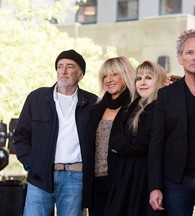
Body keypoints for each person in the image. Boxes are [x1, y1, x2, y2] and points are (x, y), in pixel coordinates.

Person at [13, 49, 98, 216]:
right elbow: (21, 135)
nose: (64, 71)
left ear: (80, 74)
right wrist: (31, 164)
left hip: (75, 177)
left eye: (70, 66)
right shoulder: (37, 98)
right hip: (40, 175)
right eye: (60, 66)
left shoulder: (92, 103)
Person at [148, 29, 195, 216]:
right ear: (180, 58)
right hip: (176, 182)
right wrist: (155, 186)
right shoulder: (166, 95)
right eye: (189, 52)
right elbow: (156, 143)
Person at [104, 61, 167, 216]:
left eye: (148, 77)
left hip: (143, 177)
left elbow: (142, 143)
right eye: (138, 78)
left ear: (158, 80)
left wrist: (116, 143)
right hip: (129, 175)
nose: (142, 82)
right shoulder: (136, 105)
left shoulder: (157, 107)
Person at [84, 56, 136, 216]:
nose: (109, 79)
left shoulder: (135, 106)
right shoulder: (97, 107)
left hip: (122, 181)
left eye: (114, 74)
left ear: (125, 75)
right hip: (96, 182)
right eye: (105, 76)